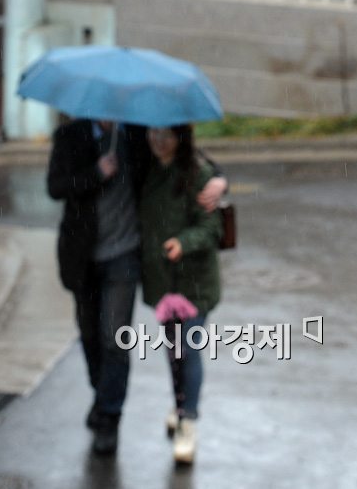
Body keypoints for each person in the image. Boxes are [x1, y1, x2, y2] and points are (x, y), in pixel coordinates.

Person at [47, 118, 226, 456]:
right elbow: (55, 187)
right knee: (90, 338)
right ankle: (103, 397)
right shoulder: (70, 136)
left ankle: (110, 417)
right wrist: (96, 174)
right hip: (83, 258)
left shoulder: (135, 132)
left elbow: (188, 156)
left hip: (124, 257)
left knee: (115, 338)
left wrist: (220, 180)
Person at [139, 125, 222, 465]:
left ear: (182, 138)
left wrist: (183, 243)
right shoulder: (147, 170)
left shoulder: (197, 173)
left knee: (188, 349)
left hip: (193, 283)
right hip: (163, 282)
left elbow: (211, 228)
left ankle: (189, 420)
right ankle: (179, 405)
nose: (159, 141)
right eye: (154, 134)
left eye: (168, 135)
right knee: (174, 351)